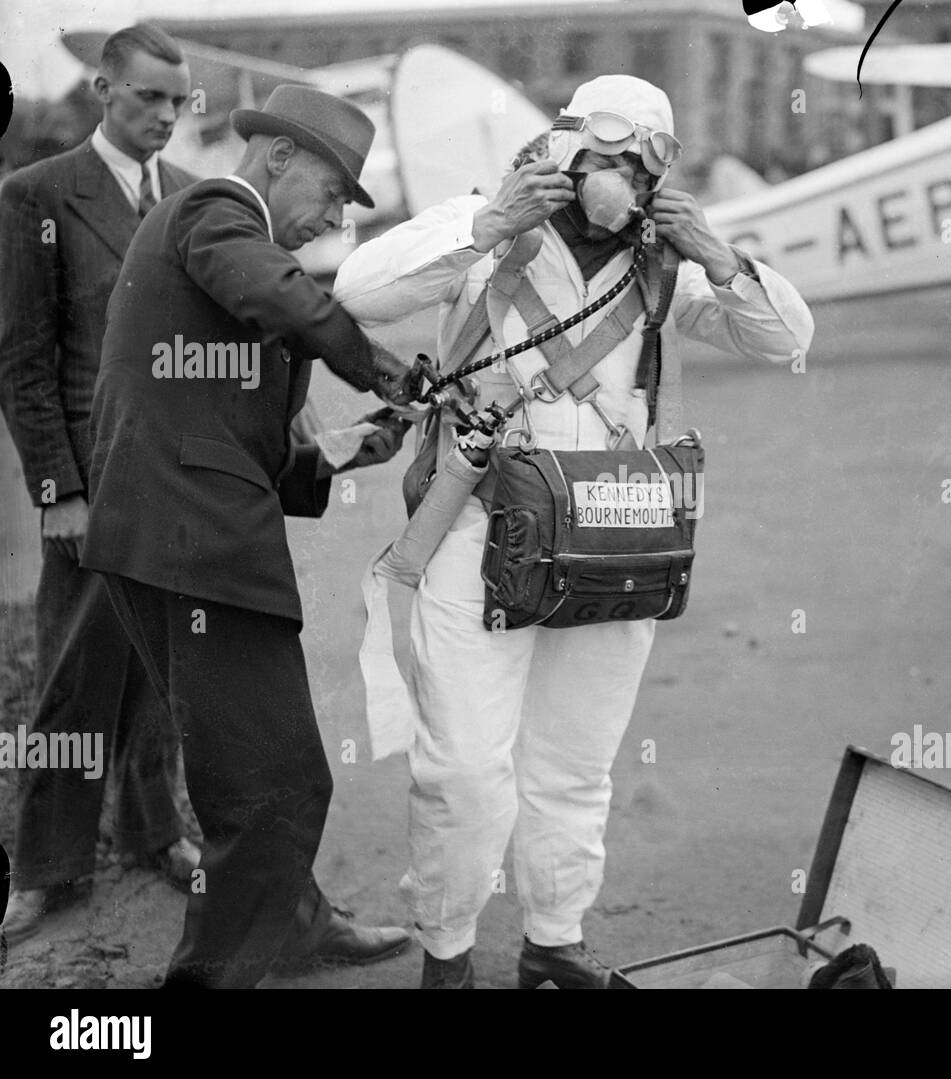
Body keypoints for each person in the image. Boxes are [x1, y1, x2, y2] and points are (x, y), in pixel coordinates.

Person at [334, 74, 815, 988]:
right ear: (563, 150)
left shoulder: (666, 265)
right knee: (467, 770)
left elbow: (786, 337)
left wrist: (712, 246)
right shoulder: (484, 231)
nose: (615, 173)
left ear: (656, 174)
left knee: (575, 764)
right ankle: (448, 951)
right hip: (480, 535)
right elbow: (360, 290)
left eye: (638, 159)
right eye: (601, 152)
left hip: (614, 540)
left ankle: (553, 938)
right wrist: (489, 223)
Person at [79, 84, 415, 988]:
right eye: (335, 192)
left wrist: (340, 452)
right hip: (192, 544)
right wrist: (374, 357)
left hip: (181, 533)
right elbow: (283, 298)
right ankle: (208, 976)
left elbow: (232, 433)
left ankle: (295, 924)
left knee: (251, 767)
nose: (335, 217)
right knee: (277, 782)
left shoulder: (230, 255)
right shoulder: (219, 211)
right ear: (277, 158)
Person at [0, 23, 201, 945]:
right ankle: (47, 866)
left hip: (175, 487)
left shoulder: (198, 203)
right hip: (91, 481)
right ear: (102, 89)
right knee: (73, 680)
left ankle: (157, 829)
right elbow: (22, 359)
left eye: (177, 99)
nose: (165, 115)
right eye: (148, 96)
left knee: (164, 674)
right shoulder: (37, 196)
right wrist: (58, 491)